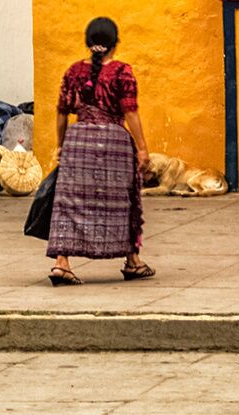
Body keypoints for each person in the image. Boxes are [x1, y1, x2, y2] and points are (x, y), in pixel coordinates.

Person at [46, 18, 152, 284]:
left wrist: (60, 145)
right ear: (115, 44)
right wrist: (142, 149)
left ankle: (62, 263)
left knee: (69, 203)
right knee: (122, 202)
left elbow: (61, 112)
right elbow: (130, 111)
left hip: (77, 142)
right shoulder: (121, 72)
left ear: (87, 43)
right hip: (113, 142)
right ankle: (132, 260)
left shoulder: (73, 72)